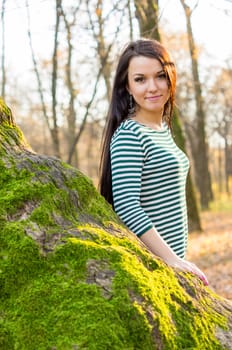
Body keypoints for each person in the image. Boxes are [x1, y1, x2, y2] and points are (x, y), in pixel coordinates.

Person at [99, 38, 208, 286]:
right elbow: (127, 206)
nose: (153, 87)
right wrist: (171, 260)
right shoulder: (130, 135)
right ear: (127, 86)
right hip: (153, 270)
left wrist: (178, 261)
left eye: (160, 76)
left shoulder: (161, 130)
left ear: (171, 77)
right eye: (140, 79)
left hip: (171, 267)